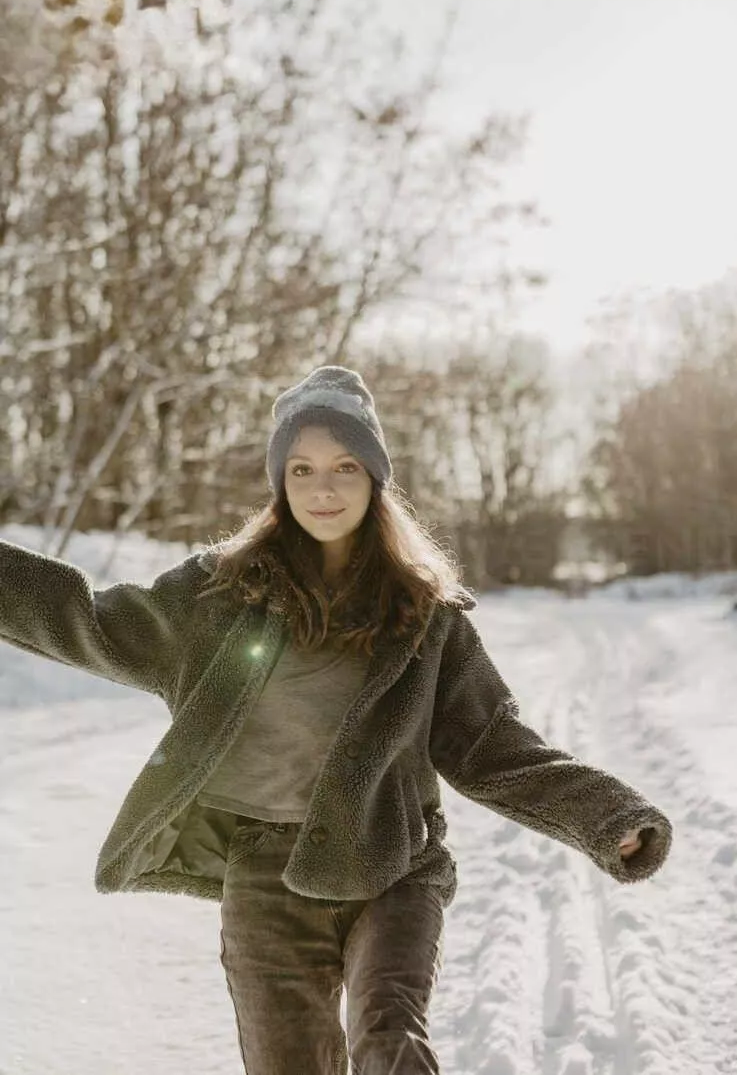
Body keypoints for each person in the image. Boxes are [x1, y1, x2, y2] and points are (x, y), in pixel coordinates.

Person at [0, 364, 672, 1075]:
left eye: (345, 466)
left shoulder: (424, 614)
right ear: (280, 483)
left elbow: (489, 747)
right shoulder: (220, 597)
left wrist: (605, 816)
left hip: (392, 863)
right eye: (302, 469)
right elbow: (87, 621)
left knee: (389, 1042)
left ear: (374, 479)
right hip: (265, 874)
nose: (323, 488)